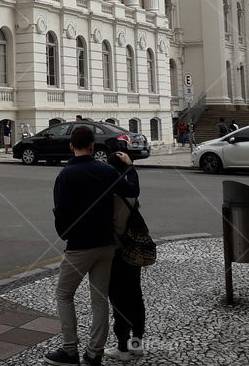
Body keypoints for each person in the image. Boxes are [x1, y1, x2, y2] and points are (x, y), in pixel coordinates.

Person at [45, 125, 139, 366]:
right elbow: (132, 190)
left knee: (64, 294)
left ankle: (69, 350)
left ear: (71, 146)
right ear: (91, 146)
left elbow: (60, 212)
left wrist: (66, 235)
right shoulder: (106, 171)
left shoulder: (66, 175)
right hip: (106, 244)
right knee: (100, 298)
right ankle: (94, 352)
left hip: (79, 246)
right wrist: (129, 166)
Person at [105, 153, 147, 362]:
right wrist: (131, 166)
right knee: (135, 296)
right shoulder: (131, 192)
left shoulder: (108, 193)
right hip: (134, 251)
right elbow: (134, 184)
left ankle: (122, 347)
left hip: (116, 252)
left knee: (118, 300)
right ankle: (137, 344)